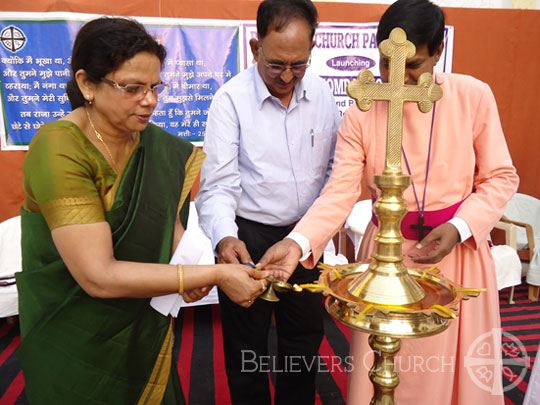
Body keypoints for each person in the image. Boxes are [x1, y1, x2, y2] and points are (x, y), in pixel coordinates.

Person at [259, 0, 520, 404]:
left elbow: (501, 177)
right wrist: (296, 244)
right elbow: (340, 191)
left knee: (451, 380)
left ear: (437, 53)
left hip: (456, 257)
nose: (397, 78)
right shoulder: (363, 111)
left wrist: (460, 227)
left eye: (413, 65)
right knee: (383, 374)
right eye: (386, 64)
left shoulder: (473, 97)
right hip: (384, 258)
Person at [16, 17, 269, 404]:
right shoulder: (59, 148)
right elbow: (98, 276)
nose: (149, 100)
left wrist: (201, 263)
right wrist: (213, 274)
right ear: (87, 84)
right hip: (73, 334)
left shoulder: (156, 148)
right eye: (132, 88)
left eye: (154, 87)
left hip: (141, 330)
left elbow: (165, 228)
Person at [194, 0, 341, 403]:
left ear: (313, 48)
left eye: (299, 64)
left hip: (306, 237)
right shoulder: (230, 101)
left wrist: (311, 234)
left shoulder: (324, 95)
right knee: (246, 345)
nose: (288, 76)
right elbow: (218, 185)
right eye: (276, 64)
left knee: (305, 339)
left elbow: (335, 171)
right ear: (256, 47)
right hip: (248, 239)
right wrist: (225, 239)